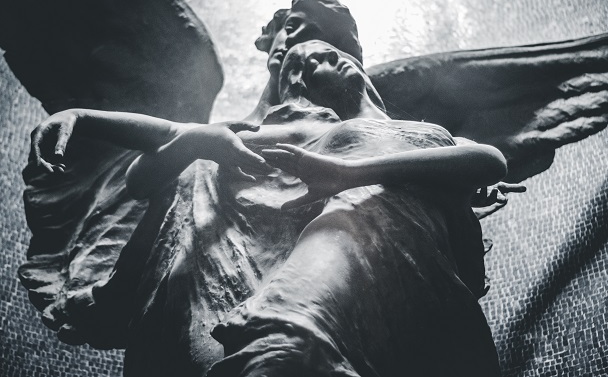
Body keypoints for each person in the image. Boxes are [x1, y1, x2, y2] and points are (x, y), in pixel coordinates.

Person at [30, 38, 506, 376]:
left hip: (420, 278)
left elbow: (488, 160)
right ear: (302, 85)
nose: (333, 60)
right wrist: (83, 118)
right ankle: (289, 339)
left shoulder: (421, 131)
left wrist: (350, 175)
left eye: (335, 53)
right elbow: (173, 136)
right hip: (345, 261)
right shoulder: (310, 132)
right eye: (316, 61)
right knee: (293, 338)